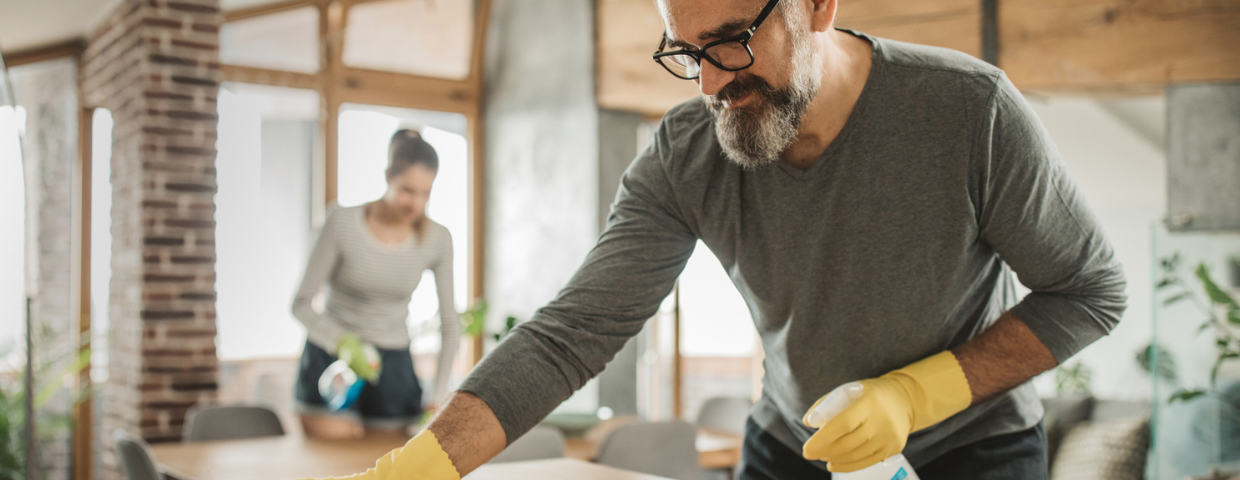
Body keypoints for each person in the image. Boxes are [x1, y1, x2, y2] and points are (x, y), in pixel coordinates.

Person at [308, 0, 1126, 478]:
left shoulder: (968, 113)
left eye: (732, 39)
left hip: (974, 446)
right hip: (789, 440)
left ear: (818, 7)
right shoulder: (686, 155)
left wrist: (916, 395)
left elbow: (1092, 291)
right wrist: (419, 467)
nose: (710, 84)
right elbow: (571, 336)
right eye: (687, 51)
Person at [291, 129, 460, 438]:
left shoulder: (438, 239)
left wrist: (436, 397)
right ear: (387, 177)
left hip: (393, 366)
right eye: (408, 190)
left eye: (426, 193)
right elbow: (300, 303)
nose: (416, 204)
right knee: (331, 468)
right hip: (331, 358)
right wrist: (342, 342)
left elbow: (451, 325)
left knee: (388, 466)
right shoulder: (341, 222)